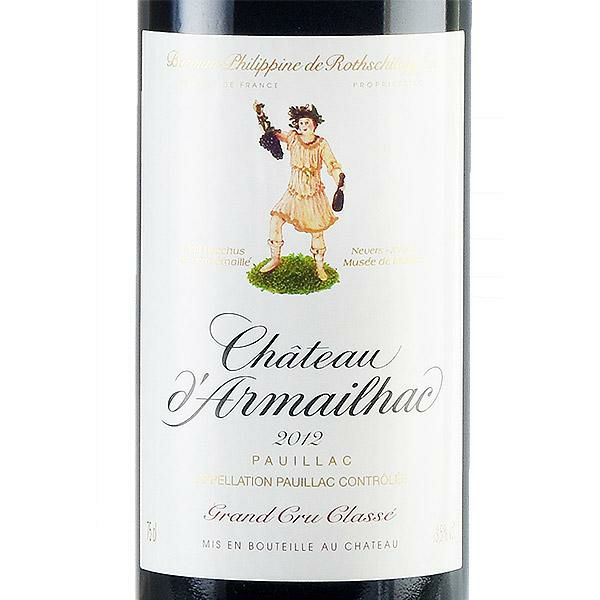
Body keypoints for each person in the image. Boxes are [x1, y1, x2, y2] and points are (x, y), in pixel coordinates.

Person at [260, 104, 345, 282]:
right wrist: (261, 115)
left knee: (317, 231)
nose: (304, 126)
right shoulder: (293, 139)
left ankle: (319, 267)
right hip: (294, 192)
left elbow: (332, 165)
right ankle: (275, 258)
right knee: (276, 220)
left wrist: (340, 181)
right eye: (301, 123)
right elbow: (272, 132)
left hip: (313, 194)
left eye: (307, 122)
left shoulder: (321, 144)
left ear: (314, 124)